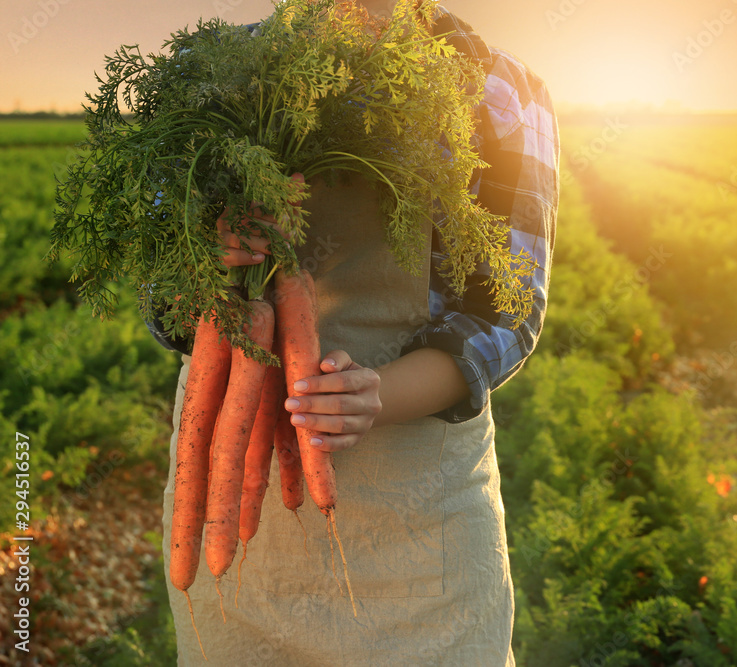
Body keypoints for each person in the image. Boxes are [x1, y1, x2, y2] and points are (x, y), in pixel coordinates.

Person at [148, 1, 559, 664]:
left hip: (425, 531)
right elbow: (160, 301)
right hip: (249, 537)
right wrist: (203, 263)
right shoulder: (213, 75)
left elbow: (507, 316)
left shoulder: (497, 89)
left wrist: (375, 392)